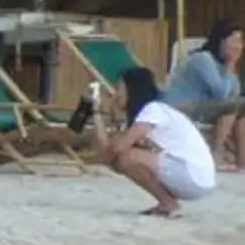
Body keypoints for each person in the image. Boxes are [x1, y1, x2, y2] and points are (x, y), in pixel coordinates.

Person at [101, 63, 219, 216]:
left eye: (120, 89)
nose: (116, 94)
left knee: (126, 158)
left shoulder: (152, 110)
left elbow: (116, 149)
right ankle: (167, 203)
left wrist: (113, 123)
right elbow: (107, 153)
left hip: (193, 175)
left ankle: (168, 204)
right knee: (121, 160)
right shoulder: (147, 115)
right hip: (197, 177)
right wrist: (98, 117)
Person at [162, 20, 244, 170]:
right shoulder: (202, 59)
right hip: (180, 106)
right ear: (221, 41)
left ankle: (242, 162)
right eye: (234, 40)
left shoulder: (223, 65)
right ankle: (216, 155)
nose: (238, 46)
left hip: (200, 107)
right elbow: (222, 95)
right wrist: (231, 64)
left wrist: (231, 68)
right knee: (232, 107)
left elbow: (235, 92)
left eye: (240, 42)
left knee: (240, 110)